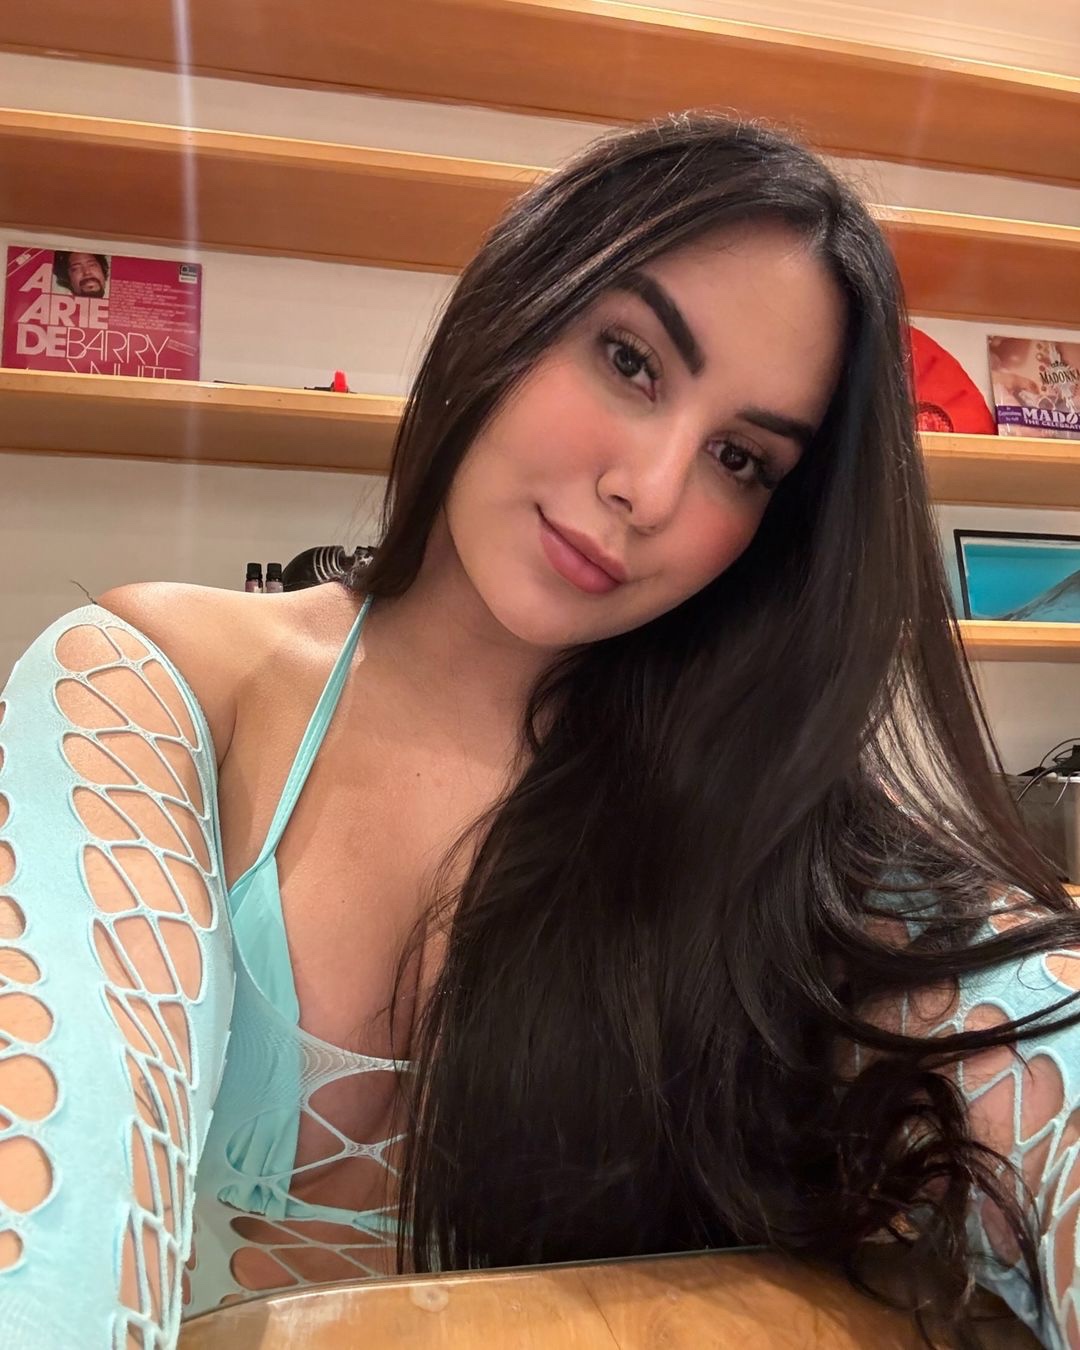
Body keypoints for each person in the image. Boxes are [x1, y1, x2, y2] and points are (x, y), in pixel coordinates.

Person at [1, 113, 1079, 1349]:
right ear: (517, 305)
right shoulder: (163, 686)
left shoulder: (769, 823)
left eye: (740, 458)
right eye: (630, 360)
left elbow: (1038, 1038)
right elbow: (50, 1202)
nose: (649, 490)